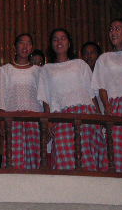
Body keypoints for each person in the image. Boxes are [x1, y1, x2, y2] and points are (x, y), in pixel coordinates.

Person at [37, 28, 107, 171]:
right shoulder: (46, 69)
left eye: (63, 38)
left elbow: (91, 94)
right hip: (61, 117)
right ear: (51, 44)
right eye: (55, 39)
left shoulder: (80, 64)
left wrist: (99, 118)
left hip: (85, 113)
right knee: (64, 157)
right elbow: (45, 98)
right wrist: (49, 122)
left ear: (69, 43)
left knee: (87, 156)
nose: (59, 41)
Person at [92, 18, 122, 173]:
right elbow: (101, 85)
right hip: (115, 106)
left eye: (117, 29)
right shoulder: (104, 58)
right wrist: (107, 107)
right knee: (116, 147)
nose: (113, 32)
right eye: (111, 29)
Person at [0, 33, 42, 169]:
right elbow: (0, 98)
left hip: (34, 120)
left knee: (35, 161)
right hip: (12, 120)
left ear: (32, 47)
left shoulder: (38, 71)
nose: (25, 46)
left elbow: (43, 97)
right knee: (13, 161)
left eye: (28, 43)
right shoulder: (4, 70)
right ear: (15, 47)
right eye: (21, 42)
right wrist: (1, 121)